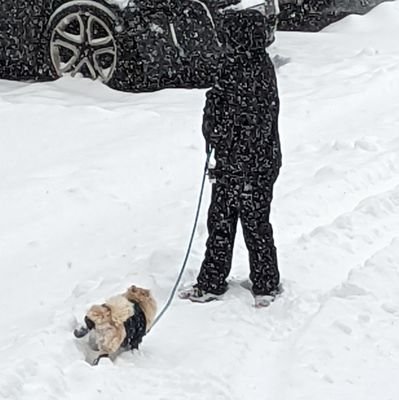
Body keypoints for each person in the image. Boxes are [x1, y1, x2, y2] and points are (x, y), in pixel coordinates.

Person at [180, 8, 282, 307]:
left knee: (224, 221)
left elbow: (224, 117)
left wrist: (215, 138)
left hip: (238, 162)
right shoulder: (262, 65)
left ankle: (213, 281)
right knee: (255, 220)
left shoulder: (235, 68)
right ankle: (265, 282)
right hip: (263, 159)